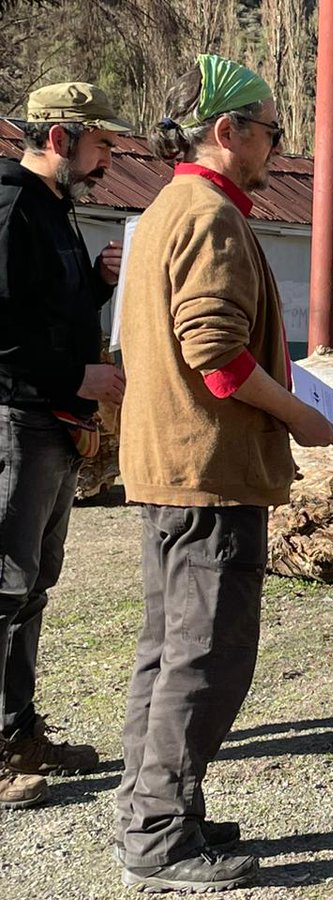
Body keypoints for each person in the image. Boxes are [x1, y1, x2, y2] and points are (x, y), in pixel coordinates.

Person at [113, 55, 333, 892]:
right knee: (207, 657)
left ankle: (154, 810)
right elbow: (215, 357)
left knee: (167, 653)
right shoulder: (208, 215)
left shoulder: (165, 207)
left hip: (173, 469)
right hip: (207, 472)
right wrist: (302, 416)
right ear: (228, 131)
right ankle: (161, 836)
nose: (276, 148)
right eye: (272, 131)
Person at [0, 82, 131, 810]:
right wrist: (74, 373)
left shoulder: (55, 208)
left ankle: (18, 731)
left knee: (32, 583)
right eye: (101, 142)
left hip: (53, 423)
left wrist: (97, 285)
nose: (109, 154)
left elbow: (47, 310)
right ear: (59, 139)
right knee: (3, 585)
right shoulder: (13, 207)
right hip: (16, 419)